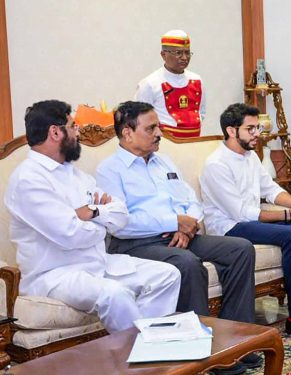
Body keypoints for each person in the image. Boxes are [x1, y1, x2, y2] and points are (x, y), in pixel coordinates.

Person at [95, 101, 260, 371]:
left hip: (182, 235)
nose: (159, 133)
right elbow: (120, 224)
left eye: (158, 126)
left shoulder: (163, 161)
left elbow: (191, 201)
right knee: (186, 264)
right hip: (137, 244)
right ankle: (198, 354)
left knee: (240, 249)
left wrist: (188, 225)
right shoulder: (110, 170)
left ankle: (231, 342)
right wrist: (174, 222)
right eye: (151, 128)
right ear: (127, 133)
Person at [5, 100, 181, 333]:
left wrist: (92, 212)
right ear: (55, 132)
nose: (79, 132)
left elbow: (120, 215)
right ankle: (145, 353)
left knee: (167, 275)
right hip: (55, 274)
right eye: (73, 126)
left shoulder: (74, 173)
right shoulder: (29, 180)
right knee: (114, 294)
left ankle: (145, 346)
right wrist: (101, 222)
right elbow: (70, 235)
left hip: (97, 263)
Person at [200, 103, 291, 341]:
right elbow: (242, 213)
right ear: (231, 131)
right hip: (229, 227)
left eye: (257, 128)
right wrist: (290, 216)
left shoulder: (250, 158)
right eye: (251, 129)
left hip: (250, 220)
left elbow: (272, 191)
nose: (257, 134)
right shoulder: (217, 164)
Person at [135, 29, 205, 138]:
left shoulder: (197, 80)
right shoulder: (150, 83)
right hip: (164, 145)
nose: (184, 58)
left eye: (187, 52)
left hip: (194, 142)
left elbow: (201, 112)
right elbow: (139, 118)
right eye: (178, 53)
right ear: (163, 55)